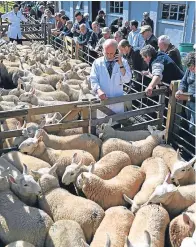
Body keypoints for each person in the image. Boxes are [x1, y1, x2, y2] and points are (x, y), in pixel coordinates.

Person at [90, 39, 132, 118]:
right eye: (107, 53)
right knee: (101, 126)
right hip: (102, 102)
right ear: (103, 51)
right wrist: (98, 91)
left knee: (117, 126)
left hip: (117, 103)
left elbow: (127, 79)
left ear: (116, 51)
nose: (109, 56)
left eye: (111, 53)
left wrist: (120, 65)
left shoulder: (123, 62)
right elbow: (93, 79)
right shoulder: (97, 63)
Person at [175, 52, 195, 133]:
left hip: (193, 101)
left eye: (193, 68)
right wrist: (180, 90)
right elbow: (183, 82)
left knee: (192, 127)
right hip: (189, 103)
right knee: (188, 121)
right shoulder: (190, 69)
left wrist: (187, 97)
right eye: (189, 68)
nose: (191, 70)